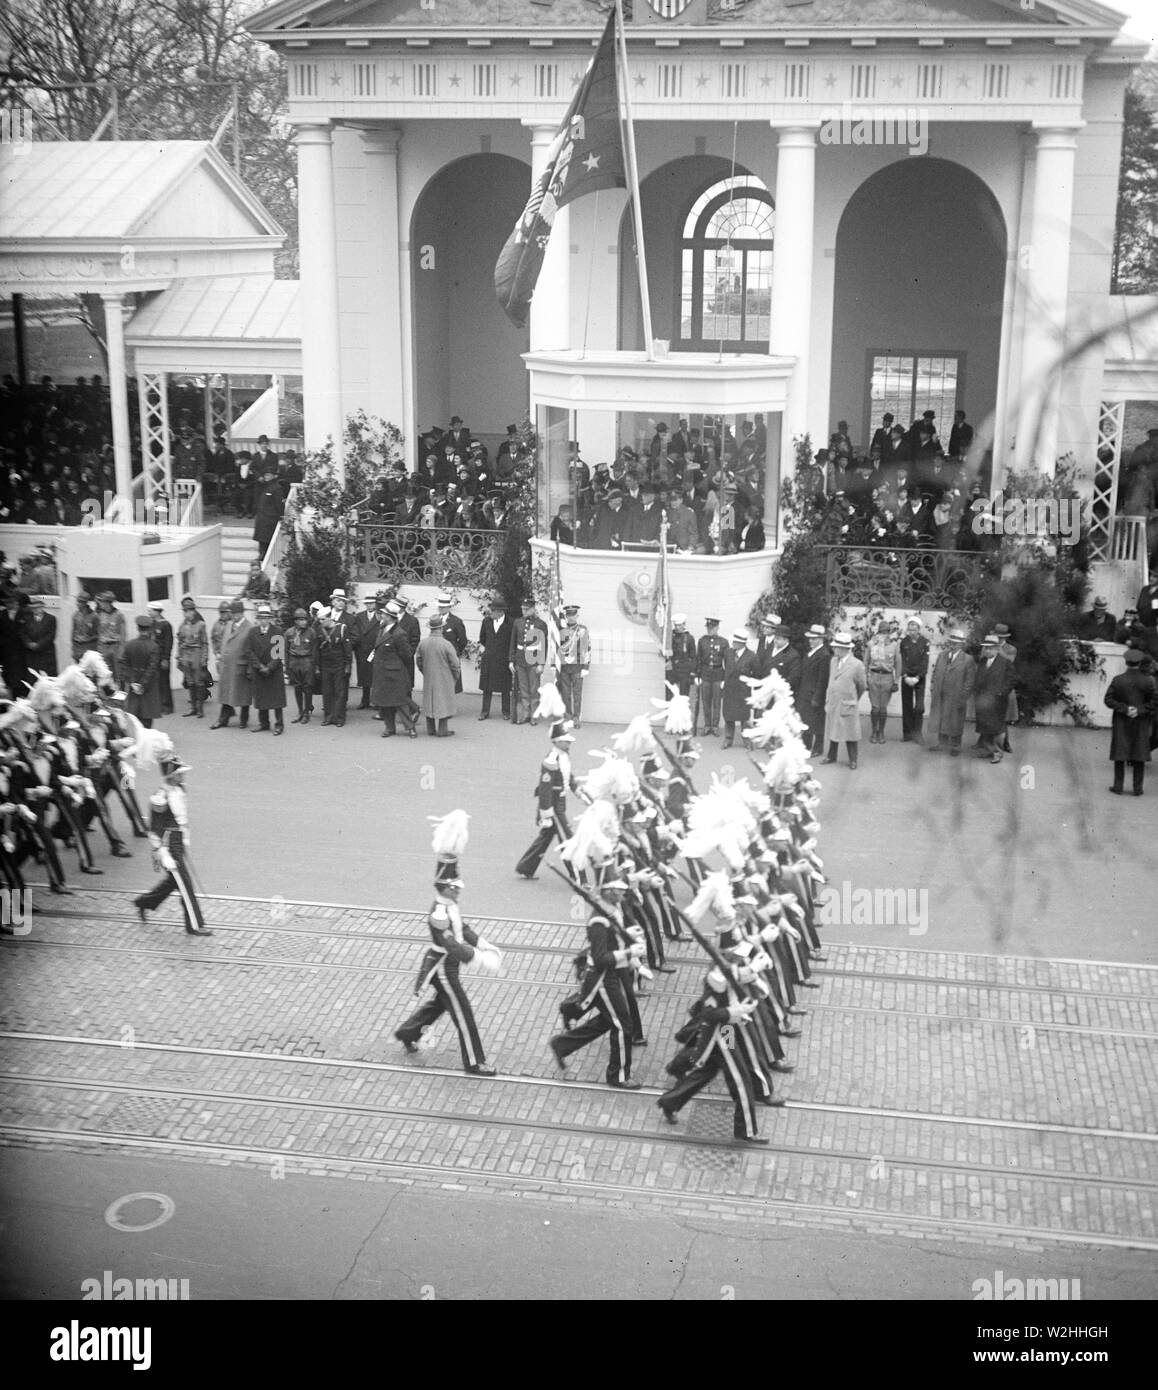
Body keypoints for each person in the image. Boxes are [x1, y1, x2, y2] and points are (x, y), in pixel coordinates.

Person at [394, 828, 498, 1076]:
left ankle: (408, 1032)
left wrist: (482, 943)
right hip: (443, 968)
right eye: (455, 887)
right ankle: (474, 1062)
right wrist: (479, 958)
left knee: (440, 1005)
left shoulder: (450, 904)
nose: (459, 890)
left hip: (449, 965)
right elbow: (451, 944)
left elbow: (463, 930)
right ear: (444, 887)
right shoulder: (438, 913)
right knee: (463, 1013)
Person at [547, 877, 644, 1090]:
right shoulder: (599, 920)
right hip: (603, 978)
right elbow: (601, 958)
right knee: (622, 1024)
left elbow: (613, 939)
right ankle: (618, 1076)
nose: (621, 894)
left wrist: (627, 936)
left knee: (612, 1021)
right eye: (617, 891)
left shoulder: (610, 910)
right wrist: (629, 953)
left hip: (612, 974)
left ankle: (562, 1044)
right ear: (607, 892)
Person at [657, 967, 768, 1145]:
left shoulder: (730, 973)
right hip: (722, 1034)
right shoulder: (717, 981)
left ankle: (670, 1102)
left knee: (707, 1071)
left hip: (727, 1031)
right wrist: (736, 1011)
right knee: (741, 1080)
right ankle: (746, 1130)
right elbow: (710, 1014)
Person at [133, 751, 213, 937]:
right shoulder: (160, 797)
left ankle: (144, 902)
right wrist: (162, 852)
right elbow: (154, 828)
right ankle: (194, 925)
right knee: (185, 886)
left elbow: (181, 819)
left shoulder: (179, 789)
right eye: (179, 773)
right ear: (171, 775)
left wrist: (183, 839)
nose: (182, 776)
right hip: (168, 845)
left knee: (174, 882)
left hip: (177, 841)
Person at [516, 716, 580, 880]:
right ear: (557, 741)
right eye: (565, 741)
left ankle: (526, 867)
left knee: (545, 838)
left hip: (561, 802)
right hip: (553, 805)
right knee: (567, 840)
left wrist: (578, 790)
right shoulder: (551, 760)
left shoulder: (563, 755)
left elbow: (567, 776)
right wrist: (546, 813)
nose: (569, 743)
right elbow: (545, 790)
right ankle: (578, 876)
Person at [1105, 648, 1157, 795]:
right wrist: (1139, 710)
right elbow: (1155, 701)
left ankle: (1118, 786)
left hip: (1121, 720)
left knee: (1120, 753)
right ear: (1140, 663)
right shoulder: (1148, 681)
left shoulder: (1118, 680)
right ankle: (1137, 788)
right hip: (1140, 721)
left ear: (1126, 662)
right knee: (1139, 754)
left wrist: (1125, 709)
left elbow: (1108, 700)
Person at [926, 626, 976, 756]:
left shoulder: (967, 659)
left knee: (956, 720)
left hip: (956, 696)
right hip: (941, 694)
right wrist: (933, 687)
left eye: (956, 642)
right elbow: (935, 672)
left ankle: (955, 746)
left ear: (961, 644)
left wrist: (963, 697)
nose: (953, 645)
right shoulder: (942, 656)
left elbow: (969, 682)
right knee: (941, 717)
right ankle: (941, 743)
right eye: (951, 642)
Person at [822, 631, 867, 769]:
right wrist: (828, 698)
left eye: (837, 647)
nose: (834, 649)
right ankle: (831, 755)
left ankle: (853, 759)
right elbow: (831, 680)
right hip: (833, 701)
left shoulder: (856, 664)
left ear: (846, 648)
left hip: (848, 703)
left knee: (850, 732)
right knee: (833, 729)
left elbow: (862, 686)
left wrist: (853, 698)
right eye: (834, 647)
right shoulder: (833, 661)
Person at [371, 601, 415, 737]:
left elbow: (407, 656)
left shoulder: (399, 633)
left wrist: (398, 667)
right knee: (385, 702)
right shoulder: (381, 629)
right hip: (382, 672)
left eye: (383, 614)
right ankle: (389, 728)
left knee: (400, 702)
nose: (381, 616)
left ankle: (410, 728)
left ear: (390, 617)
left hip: (395, 673)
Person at [244, 602, 286, 735]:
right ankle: (264, 723)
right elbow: (249, 651)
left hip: (274, 671)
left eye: (266, 617)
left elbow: (278, 654)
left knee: (276, 699)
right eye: (261, 618)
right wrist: (260, 666)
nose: (264, 620)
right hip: (259, 671)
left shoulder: (277, 632)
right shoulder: (252, 632)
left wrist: (269, 668)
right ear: (257, 619)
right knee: (261, 698)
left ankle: (279, 724)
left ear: (270, 618)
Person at [416, 613, 461, 738]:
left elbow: (418, 661)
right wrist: (454, 677)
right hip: (444, 677)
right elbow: (456, 664)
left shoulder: (423, 643)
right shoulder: (446, 644)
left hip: (429, 676)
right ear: (441, 628)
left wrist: (425, 671)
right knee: (443, 702)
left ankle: (430, 729)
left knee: (429, 700)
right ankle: (443, 730)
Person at [212, 599, 253, 730]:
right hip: (227, 665)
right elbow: (224, 642)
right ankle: (223, 719)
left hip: (241, 665)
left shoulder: (249, 627)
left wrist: (249, 668)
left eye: (236, 613)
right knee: (226, 693)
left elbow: (251, 649)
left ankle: (244, 719)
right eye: (232, 613)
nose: (234, 616)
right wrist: (220, 657)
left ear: (242, 613)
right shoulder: (229, 625)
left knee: (243, 695)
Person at [973, 633, 1014, 762]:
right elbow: (978, 679)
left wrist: (1002, 692)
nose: (988, 650)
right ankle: (988, 750)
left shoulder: (1005, 663)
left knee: (997, 728)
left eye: (990, 648)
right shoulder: (982, 662)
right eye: (986, 648)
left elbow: (1011, 681)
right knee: (985, 726)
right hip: (983, 700)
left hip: (997, 701)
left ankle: (997, 752)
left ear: (997, 648)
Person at [509, 598, 547, 726]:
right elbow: (513, 642)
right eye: (523, 609)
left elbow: (543, 645)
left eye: (526, 609)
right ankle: (526, 714)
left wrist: (541, 663)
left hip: (534, 660)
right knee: (524, 689)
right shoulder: (517, 622)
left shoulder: (541, 624)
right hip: (520, 659)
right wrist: (511, 660)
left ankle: (534, 715)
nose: (524, 611)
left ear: (533, 609)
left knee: (534, 689)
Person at [864, 620, 901, 744]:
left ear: (889, 633)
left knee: (883, 708)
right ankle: (874, 731)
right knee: (875, 708)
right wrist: (865, 679)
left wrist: (896, 681)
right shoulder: (871, 645)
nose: (883, 634)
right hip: (874, 676)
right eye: (881, 632)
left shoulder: (894, 646)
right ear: (877, 632)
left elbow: (898, 664)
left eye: (886, 632)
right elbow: (866, 662)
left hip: (887, 678)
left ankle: (881, 732)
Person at [315, 608, 353, 728]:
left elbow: (347, 649)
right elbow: (316, 650)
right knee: (327, 691)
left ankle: (339, 717)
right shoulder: (319, 630)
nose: (321, 622)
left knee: (339, 692)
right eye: (319, 619)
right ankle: (328, 716)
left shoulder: (342, 629)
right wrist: (316, 666)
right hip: (325, 664)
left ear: (330, 617)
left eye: (323, 619)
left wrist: (348, 666)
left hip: (339, 664)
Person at [122, 616, 162, 728]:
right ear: (149, 629)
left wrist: (132, 682)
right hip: (148, 685)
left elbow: (125, 665)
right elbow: (152, 668)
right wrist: (142, 684)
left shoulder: (129, 645)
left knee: (134, 714)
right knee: (147, 714)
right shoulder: (154, 646)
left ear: (138, 628)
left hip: (133, 682)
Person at [796, 624, 830, 755]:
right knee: (805, 720)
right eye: (810, 638)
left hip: (815, 694)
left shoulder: (824, 655)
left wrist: (818, 697)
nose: (810, 641)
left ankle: (818, 748)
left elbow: (823, 679)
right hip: (805, 692)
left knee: (817, 722)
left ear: (821, 639)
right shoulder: (809, 653)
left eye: (814, 639)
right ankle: (806, 745)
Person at [721, 628, 757, 749]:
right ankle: (728, 739)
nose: (733, 643)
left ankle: (746, 740)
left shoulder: (751, 656)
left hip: (743, 691)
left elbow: (756, 674)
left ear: (742, 643)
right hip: (730, 689)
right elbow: (727, 667)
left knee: (744, 717)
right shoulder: (728, 653)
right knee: (728, 716)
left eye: (735, 642)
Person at [478, 597, 512, 721]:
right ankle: (485, 711)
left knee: (505, 687)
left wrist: (511, 659)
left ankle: (506, 711)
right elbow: (482, 638)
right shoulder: (486, 621)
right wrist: (486, 651)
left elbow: (512, 642)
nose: (490, 612)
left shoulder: (510, 623)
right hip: (489, 658)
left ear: (501, 612)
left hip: (504, 659)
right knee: (487, 687)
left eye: (493, 610)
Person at [176, 596, 210, 718]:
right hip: (186, 654)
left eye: (189, 611)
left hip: (197, 652)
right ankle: (193, 707)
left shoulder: (201, 625)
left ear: (193, 611)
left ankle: (200, 709)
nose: (187, 613)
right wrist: (179, 656)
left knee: (199, 682)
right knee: (190, 682)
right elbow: (179, 642)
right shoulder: (182, 625)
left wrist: (204, 658)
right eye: (185, 611)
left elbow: (205, 642)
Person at [557, 604, 590, 726]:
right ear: (565, 616)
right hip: (565, 666)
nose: (570, 618)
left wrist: (586, 667)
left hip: (577, 667)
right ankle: (568, 717)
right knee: (565, 694)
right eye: (568, 615)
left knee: (577, 694)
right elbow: (557, 648)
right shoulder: (561, 630)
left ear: (577, 616)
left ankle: (576, 718)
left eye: (573, 615)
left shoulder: (582, 630)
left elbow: (587, 649)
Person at [284, 608, 318, 724]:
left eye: (305, 619)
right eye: (301, 620)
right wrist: (287, 667)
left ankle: (306, 712)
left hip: (307, 661)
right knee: (297, 688)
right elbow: (286, 651)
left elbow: (314, 651)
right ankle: (300, 712)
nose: (304, 622)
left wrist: (314, 666)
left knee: (308, 688)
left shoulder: (311, 632)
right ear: (296, 621)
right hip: (294, 662)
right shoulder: (289, 632)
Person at [899, 617, 930, 743]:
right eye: (909, 629)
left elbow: (925, 662)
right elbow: (902, 660)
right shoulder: (904, 642)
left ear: (919, 629)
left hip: (919, 678)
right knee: (906, 705)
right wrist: (905, 676)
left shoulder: (925, 642)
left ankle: (917, 734)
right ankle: (907, 734)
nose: (911, 632)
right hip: (906, 677)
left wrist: (917, 677)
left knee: (919, 707)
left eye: (914, 629)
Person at [696, 617, 727, 736]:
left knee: (717, 702)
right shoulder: (702, 641)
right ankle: (707, 725)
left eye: (712, 628)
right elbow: (698, 659)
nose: (710, 630)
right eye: (708, 627)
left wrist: (725, 678)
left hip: (718, 674)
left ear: (717, 628)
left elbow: (727, 661)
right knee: (706, 701)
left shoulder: (723, 642)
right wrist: (698, 675)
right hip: (705, 674)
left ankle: (715, 726)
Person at [755, 613, 801, 693]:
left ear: (786, 640)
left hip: (778, 693)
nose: (775, 641)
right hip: (763, 691)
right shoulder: (770, 648)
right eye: (775, 638)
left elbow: (793, 678)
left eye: (778, 639)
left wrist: (776, 687)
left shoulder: (793, 655)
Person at [438, 593, 468, 695]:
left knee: (451, 682)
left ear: (449, 607)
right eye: (440, 606)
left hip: (450, 656)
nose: (441, 609)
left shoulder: (456, 621)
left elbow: (463, 640)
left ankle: (449, 707)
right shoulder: (435, 620)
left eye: (443, 607)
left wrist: (455, 651)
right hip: (437, 656)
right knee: (439, 683)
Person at [20, 596, 58, 677]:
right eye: (33, 608)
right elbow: (23, 633)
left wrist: (39, 645)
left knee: (49, 678)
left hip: (46, 654)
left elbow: (51, 635)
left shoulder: (51, 619)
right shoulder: (26, 619)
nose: (35, 610)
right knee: (33, 677)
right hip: (32, 655)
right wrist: (29, 643)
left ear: (42, 607)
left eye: (37, 607)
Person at [252, 468, 285, 559]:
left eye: (269, 475)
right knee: (261, 538)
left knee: (267, 538)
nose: (266, 477)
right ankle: (262, 553)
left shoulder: (277, 488)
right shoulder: (263, 486)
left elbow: (279, 504)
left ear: (275, 476)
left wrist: (280, 516)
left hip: (270, 517)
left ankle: (265, 555)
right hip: (262, 516)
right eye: (265, 475)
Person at [94, 591, 126, 682]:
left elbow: (123, 633)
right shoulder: (99, 614)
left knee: (118, 673)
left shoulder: (119, 615)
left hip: (115, 646)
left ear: (108, 602)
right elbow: (97, 631)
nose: (100, 604)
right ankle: (108, 694)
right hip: (103, 646)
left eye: (102, 601)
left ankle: (121, 693)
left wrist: (121, 650)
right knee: (105, 673)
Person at [149, 602, 174, 714]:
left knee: (164, 682)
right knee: (156, 681)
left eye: (151, 610)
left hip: (162, 656)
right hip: (154, 657)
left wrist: (166, 658)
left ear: (157, 611)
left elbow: (169, 642)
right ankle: (158, 704)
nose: (149, 612)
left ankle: (167, 706)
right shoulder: (151, 624)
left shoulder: (165, 625)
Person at [666, 613, 698, 699]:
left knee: (683, 696)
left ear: (684, 625)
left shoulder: (689, 638)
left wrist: (692, 673)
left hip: (684, 671)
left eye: (679, 625)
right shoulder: (670, 637)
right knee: (670, 695)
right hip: (672, 670)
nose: (677, 628)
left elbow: (693, 657)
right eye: (675, 625)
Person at [70, 591, 99, 663]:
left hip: (88, 647)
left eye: (80, 602)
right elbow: (73, 632)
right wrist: (73, 648)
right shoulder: (76, 615)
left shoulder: (94, 616)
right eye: (77, 601)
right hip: (77, 647)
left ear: (85, 603)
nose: (77, 604)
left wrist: (88, 638)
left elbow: (99, 634)